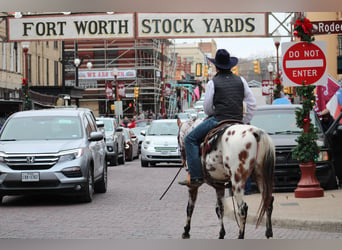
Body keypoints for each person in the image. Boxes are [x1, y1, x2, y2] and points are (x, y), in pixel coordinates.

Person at [178, 49, 257, 187]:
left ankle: (196, 176)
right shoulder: (241, 81)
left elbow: (207, 107)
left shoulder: (212, 83)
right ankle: (252, 180)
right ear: (230, 65)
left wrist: (213, 113)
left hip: (218, 120)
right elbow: (252, 103)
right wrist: (244, 121)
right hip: (238, 121)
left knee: (189, 139)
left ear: (216, 66)